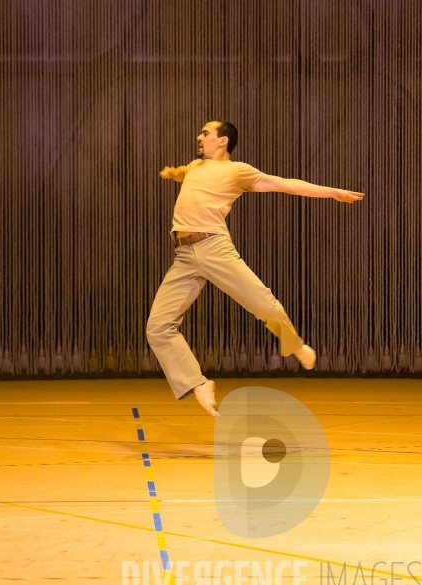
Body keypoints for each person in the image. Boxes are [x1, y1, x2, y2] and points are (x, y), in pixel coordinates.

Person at [146, 120, 364, 418]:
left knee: (264, 304)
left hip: (213, 248)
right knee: (157, 327)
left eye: (206, 133)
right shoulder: (195, 166)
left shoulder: (237, 171)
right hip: (184, 255)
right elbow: (188, 174)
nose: (200, 136)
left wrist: (331, 192)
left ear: (222, 141)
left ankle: (296, 345)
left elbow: (285, 184)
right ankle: (198, 384)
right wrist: (176, 173)